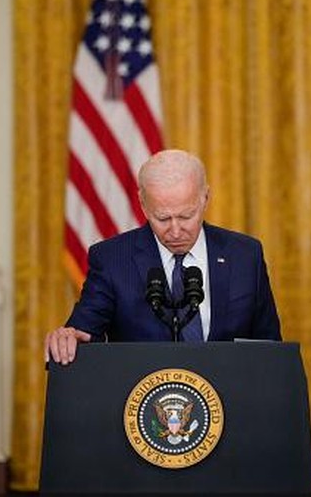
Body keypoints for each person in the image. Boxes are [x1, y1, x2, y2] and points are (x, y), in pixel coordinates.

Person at [44, 149, 282, 364]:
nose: (176, 231)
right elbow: (84, 332)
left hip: (229, 403)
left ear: (205, 199)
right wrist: (69, 337)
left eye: (186, 216)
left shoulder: (244, 255)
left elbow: (269, 349)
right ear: (143, 205)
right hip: (143, 404)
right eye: (163, 219)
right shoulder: (111, 259)